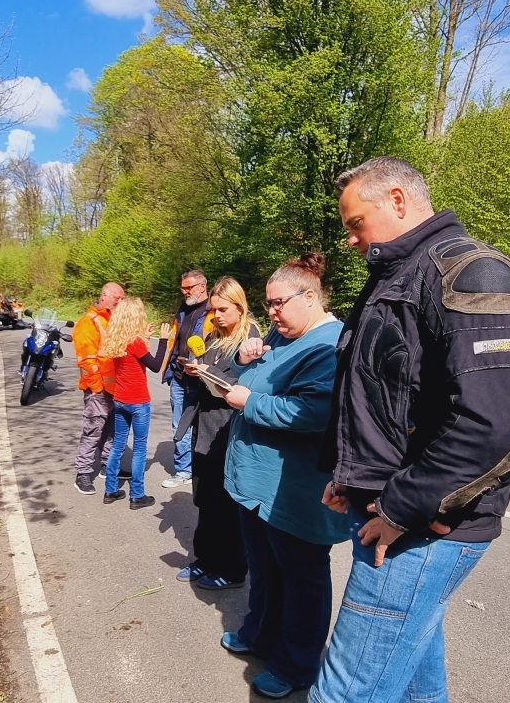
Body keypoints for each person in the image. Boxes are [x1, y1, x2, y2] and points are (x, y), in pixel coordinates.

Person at [310, 157, 510, 703]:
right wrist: (350, 474)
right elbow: (378, 393)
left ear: (396, 199)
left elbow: (493, 428)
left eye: (354, 222)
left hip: (420, 527)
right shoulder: (396, 274)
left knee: (343, 693)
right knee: (416, 679)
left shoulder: (471, 273)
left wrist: (400, 508)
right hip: (386, 510)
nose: (349, 239)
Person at [217, 253, 351, 700]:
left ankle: (297, 665)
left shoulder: (328, 344)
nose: (270, 314)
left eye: (278, 303)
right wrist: (243, 354)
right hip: (257, 485)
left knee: (302, 578)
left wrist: (246, 403)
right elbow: (252, 374)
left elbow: (314, 412)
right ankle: (260, 634)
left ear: (309, 296)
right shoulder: (281, 333)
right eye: (268, 304)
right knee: (264, 568)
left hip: (294, 490)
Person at [176, 277, 260, 591]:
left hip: (228, 427)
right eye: (214, 310)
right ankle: (206, 559)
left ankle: (233, 568)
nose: (217, 315)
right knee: (206, 499)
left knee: (226, 503)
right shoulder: (213, 335)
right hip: (205, 426)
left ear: (240, 307)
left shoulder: (250, 339)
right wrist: (194, 370)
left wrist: (212, 377)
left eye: (223, 309)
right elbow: (208, 376)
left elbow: (245, 382)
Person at [100, 298, 172, 510]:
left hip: (120, 400)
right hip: (138, 402)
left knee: (118, 445)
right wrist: (164, 340)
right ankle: (137, 495)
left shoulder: (116, 339)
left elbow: (136, 359)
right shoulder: (135, 342)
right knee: (140, 449)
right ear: (135, 318)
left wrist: (147, 337)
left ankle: (110, 490)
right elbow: (156, 365)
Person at [161, 270, 215, 488]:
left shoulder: (214, 311)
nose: (184, 291)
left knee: (206, 426)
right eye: (183, 287)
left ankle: (205, 468)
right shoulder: (182, 310)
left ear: (202, 287)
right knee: (179, 424)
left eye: (188, 287)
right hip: (179, 376)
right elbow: (176, 340)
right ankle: (184, 470)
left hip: (202, 377)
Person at [72, 282, 125, 495]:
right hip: (99, 389)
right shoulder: (89, 322)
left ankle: (107, 465)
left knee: (111, 430)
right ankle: (83, 472)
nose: (121, 301)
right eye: (117, 298)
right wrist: (96, 388)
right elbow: (87, 360)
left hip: (115, 388)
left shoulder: (112, 318)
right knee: (93, 430)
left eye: (123, 298)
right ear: (105, 296)